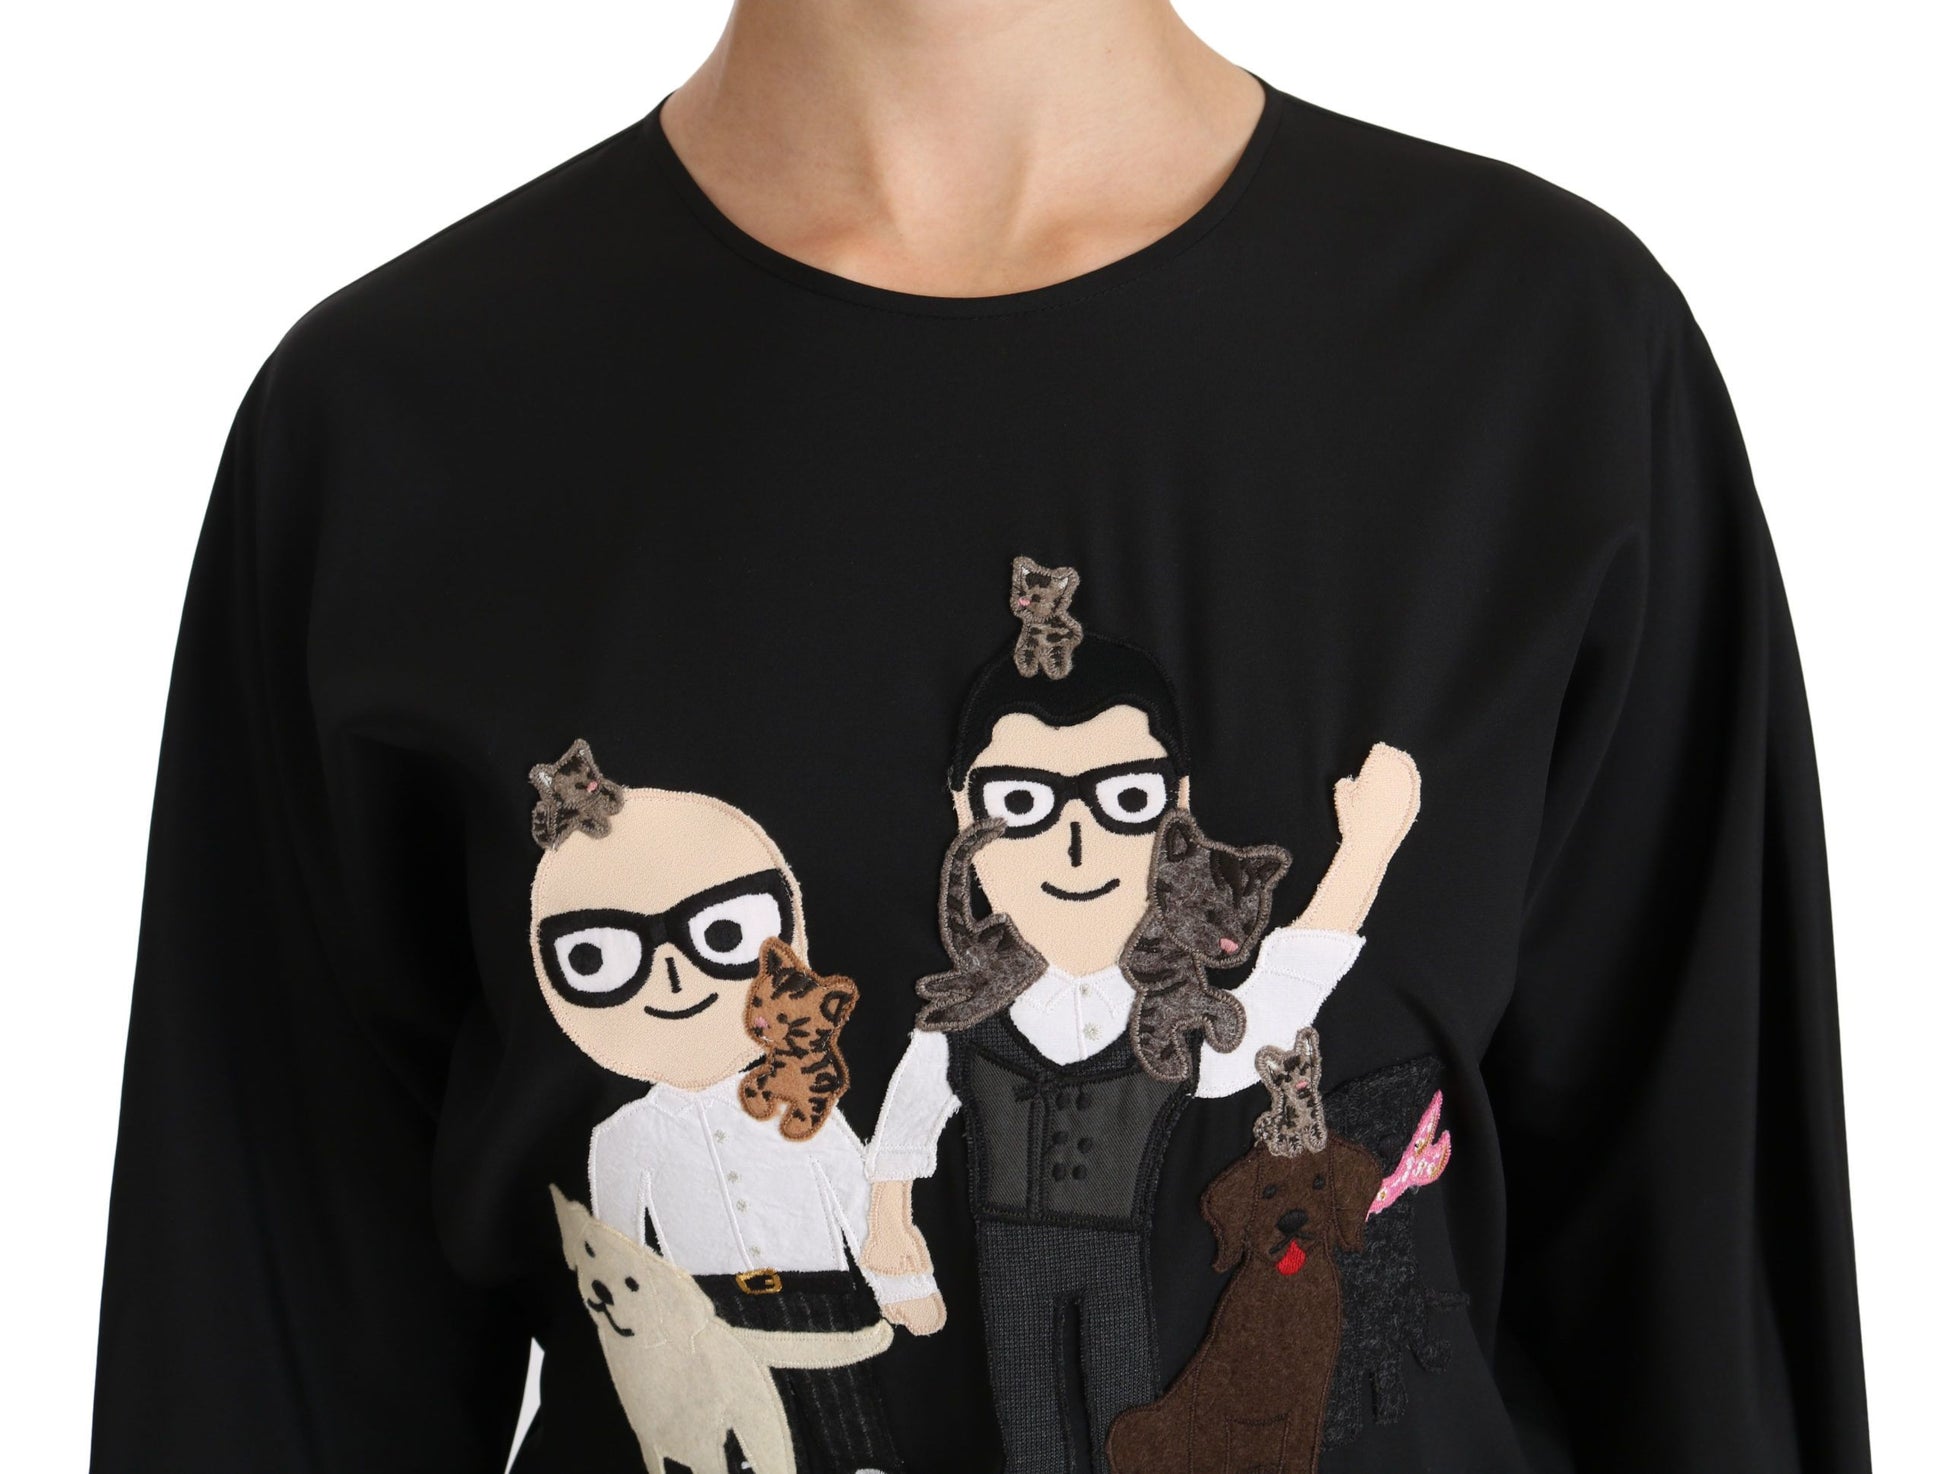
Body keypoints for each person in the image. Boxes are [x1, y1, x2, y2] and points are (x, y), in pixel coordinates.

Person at [93, 1, 1872, 1472]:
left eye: (1115, 797)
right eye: (1027, 799)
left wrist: (1370, 852)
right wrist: (886, 1233)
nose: (1074, 837)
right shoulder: (394, 430)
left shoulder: (1540, 363)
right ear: (972, 818)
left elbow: (1702, 1315)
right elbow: (259, 1360)